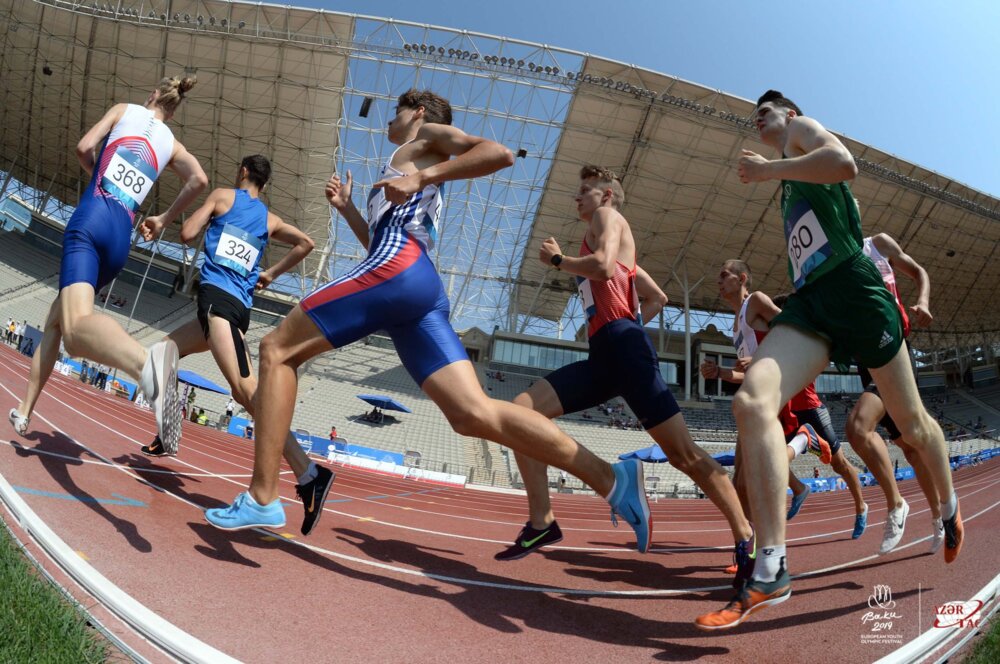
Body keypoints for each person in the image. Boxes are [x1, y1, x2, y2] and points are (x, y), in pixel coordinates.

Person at [204, 90, 650, 548]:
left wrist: (423, 179)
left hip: (401, 270)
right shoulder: (403, 164)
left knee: (276, 349)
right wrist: (349, 209)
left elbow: (497, 154)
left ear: (417, 113)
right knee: (471, 414)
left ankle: (263, 495)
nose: (389, 121)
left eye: (397, 111)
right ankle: (612, 478)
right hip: (412, 287)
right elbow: (378, 243)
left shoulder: (426, 137)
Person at [695, 90, 962, 631]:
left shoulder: (801, 133)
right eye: (756, 119)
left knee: (911, 424)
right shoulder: (788, 180)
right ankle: (772, 569)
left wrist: (771, 168)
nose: (758, 121)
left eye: (764, 113)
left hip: (858, 296)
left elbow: (845, 163)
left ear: (788, 115)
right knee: (752, 403)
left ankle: (950, 509)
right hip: (814, 302)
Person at [494, 166, 754, 588]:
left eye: (584, 192)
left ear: (607, 196)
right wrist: (622, 321)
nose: (576, 199)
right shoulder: (615, 241)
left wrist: (559, 261)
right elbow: (657, 296)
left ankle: (747, 539)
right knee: (520, 414)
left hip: (624, 350)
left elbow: (599, 266)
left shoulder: (607, 218)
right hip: (606, 353)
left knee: (685, 455)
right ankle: (543, 519)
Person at [8, 75, 208, 456]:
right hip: (121, 235)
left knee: (76, 333)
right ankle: (25, 409)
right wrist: (165, 219)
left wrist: (96, 176)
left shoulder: (123, 110)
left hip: (92, 217)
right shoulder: (172, 144)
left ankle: (145, 366)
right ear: (173, 108)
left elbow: (84, 146)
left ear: (151, 94)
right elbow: (199, 180)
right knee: (56, 322)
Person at [138, 156, 331, 535]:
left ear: (242, 171)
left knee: (247, 392)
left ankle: (309, 474)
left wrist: (205, 215)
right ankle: (168, 433)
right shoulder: (269, 219)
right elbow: (306, 243)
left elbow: (187, 234)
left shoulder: (223, 196)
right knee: (162, 352)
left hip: (218, 304)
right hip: (226, 308)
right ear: (265, 182)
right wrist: (271, 273)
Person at [701, 263, 867, 542]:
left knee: (837, 463)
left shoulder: (755, 301)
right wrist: (719, 373)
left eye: (723, 275)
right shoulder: (736, 326)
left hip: (805, 403)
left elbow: (794, 332)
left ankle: (860, 506)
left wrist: (759, 358)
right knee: (755, 471)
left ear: (742, 278)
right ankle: (760, 536)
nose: (718, 280)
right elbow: (750, 374)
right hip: (776, 402)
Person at [845, 232, 944, 554]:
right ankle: (939, 517)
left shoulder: (878, 244)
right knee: (911, 449)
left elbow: (919, 272)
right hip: (865, 359)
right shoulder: (831, 257)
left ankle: (897, 504)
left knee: (859, 427)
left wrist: (924, 301)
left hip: (894, 349)